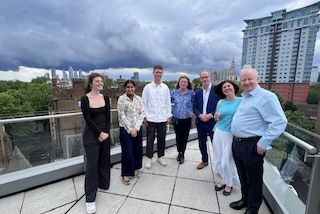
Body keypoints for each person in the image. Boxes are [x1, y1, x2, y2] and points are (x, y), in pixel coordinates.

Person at [230, 65, 287, 214]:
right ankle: (244, 200)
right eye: (244, 80)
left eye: (250, 79)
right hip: (238, 143)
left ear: (257, 79)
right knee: (242, 174)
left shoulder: (267, 97)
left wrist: (264, 142)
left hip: (252, 145)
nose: (247, 82)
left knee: (254, 178)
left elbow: (280, 122)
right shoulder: (245, 97)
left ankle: (253, 208)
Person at [80, 73, 111, 214]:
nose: (100, 83)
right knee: (92, 166)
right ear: (91, 83)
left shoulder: (105, 98)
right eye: (97, 81)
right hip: (92, 135)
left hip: (104, 134)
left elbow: (108, 117)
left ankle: (103, 184)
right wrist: (99, 133)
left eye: (101, 81)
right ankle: (90, 198)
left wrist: (105, 132)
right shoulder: (85, 99)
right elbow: (88, 119)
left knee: (104, 161)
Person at [212, 80, 241, 196]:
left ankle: (230, 184)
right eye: (224, 87)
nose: (227, 88)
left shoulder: (241, 101)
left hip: (230, 134)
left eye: (229, 86)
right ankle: (224, 180)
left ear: (234, 88)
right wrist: (216, 116)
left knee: (226, 161)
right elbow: (216, 118)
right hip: (219, 131)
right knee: (218, 158)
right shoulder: (220, 102)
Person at [142, 65, 172, 169]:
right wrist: (144, 117)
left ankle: (160, 156)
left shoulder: (165, 87)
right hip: (151, 118)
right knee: (150, 139)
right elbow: (144, 103)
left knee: (161, 138)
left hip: (162, 118)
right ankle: (149, 158)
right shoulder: (148, 87)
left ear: (162, 74)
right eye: (156, 72)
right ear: (153, 73)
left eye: (160, 72)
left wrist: (168, 116)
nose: (158, 74)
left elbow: (168, 102)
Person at [117, 80, 145, 185]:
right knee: (127, 150)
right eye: (128, 87)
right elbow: (121, 115)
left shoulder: (139, 99)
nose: (130, 89)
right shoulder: (121, 99)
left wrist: (136, 128)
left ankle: (135, 169)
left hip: (137, 128)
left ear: (134, 88)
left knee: (137, 149)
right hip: (125, 129)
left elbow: (142, 113)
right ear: (125, 88)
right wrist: (130, 129)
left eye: (132, 87)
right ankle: (126, 174)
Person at [193, 70, 219, 169]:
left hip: (212, 122)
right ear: (200, 79)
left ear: (210, 77)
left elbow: (220, 106)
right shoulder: (198, 93)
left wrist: (211, 115)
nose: (204, 79)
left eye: (206, 77)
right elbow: (195, 107)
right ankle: (204, 161)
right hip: (201, 122)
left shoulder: (216, 91)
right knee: (201, 143)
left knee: (216, 144)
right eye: (202, 77)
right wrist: (200, 115)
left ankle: (218, 164)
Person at [171, 75, 195, 164]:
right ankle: (179, 152)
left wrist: (193, 111)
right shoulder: (174, 92)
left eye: (185, 82)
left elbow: (195, 103)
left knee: (184, 137)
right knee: (178, 136)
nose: (183, 83)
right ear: (179, 83)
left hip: (186, 119)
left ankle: (182, 154)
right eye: (182, 82)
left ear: (187, 83)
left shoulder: (191, 93)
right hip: (176, 118)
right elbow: (167, 101)